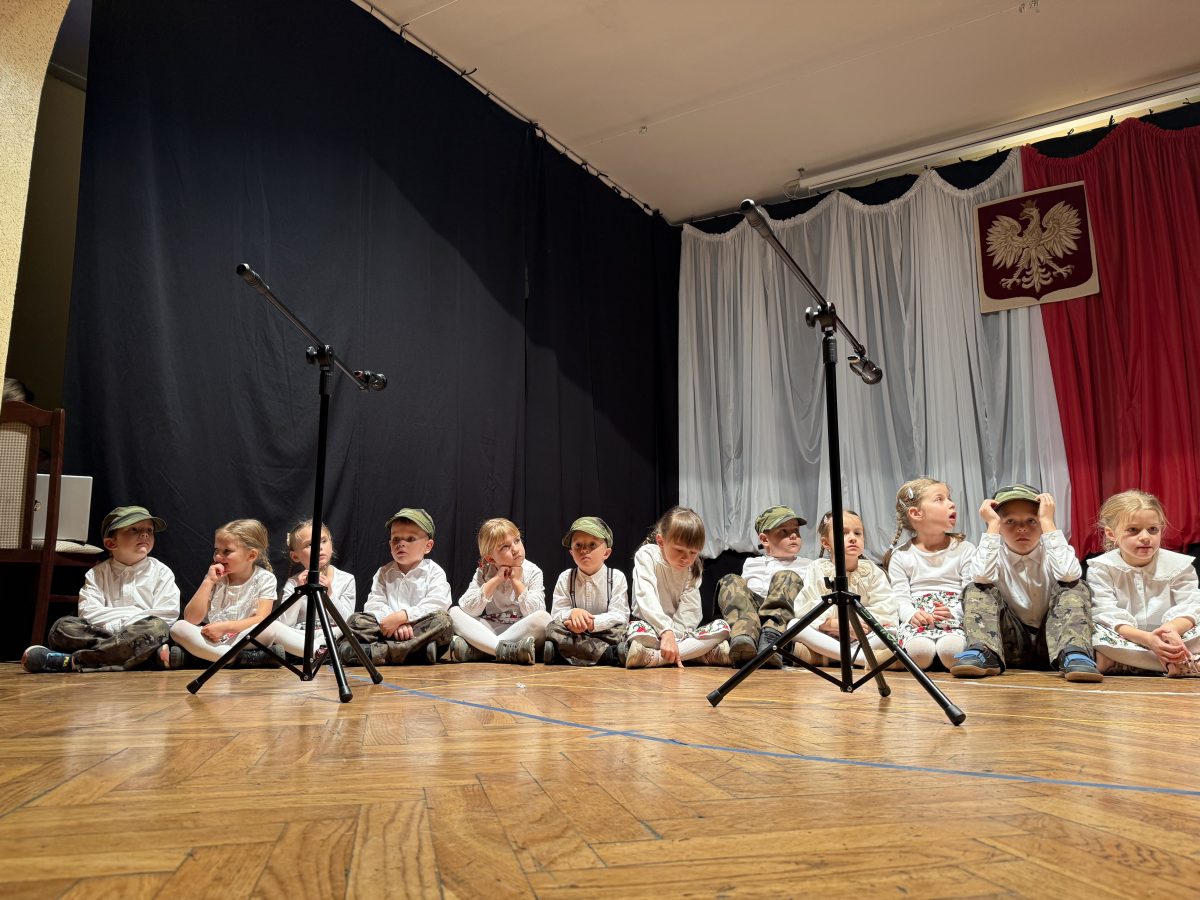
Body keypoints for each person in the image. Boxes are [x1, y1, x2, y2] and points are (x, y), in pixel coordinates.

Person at [951, 484, 1101, 681]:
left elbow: (1068, 573)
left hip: (1053, 641)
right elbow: (981, 576)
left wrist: (1047, 521)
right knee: (976, 588)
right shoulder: (993, 554)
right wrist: (992, 525)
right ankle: (983, 651)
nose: (1021, 528)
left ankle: (1075, 653)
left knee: (1075, 586)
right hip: (1009, 643)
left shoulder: (1054, 552)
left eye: (1031, 520)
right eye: (1010, 521)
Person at [22, 506, 180, 673]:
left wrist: (127, 626)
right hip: (119, 636)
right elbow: (88, 613)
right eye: (134, 529)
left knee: (156, 627)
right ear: (111, 543)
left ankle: (73, 662)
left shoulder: (161, 572)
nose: (145, 534)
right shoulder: (96, 574)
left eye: (149, 530)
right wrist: (126, 627)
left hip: (142, 634)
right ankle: (143, 657)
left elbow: (167, 614)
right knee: (61, 628)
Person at [1087, 490, 1200, 676]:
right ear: (1111, 534)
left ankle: (1125, 663)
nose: (1146, 537)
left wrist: (1170, 630)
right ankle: (1184, 663)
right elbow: (1106, 613)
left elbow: (1190, 606)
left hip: (1175, 636)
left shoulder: (1180, 566)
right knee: (1094, 631)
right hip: (1127, 637)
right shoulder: (1101, 568)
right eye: (1133, 530)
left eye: (1153, 529)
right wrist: (1147, 639)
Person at [884, 477, 975, 670]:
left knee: (951, 652)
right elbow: (900, 598)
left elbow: (970, 592)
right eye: (940, 499)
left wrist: (954, 612)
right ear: (916, 513)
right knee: (920, 654)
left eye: (949, 498)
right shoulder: (901, 556)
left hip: (953, 615)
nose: (951, 504)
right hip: (919, 618)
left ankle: (943, 655)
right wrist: (912, 614)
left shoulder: (965, 549)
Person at [793, 510, 900, 668]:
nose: (852, 538)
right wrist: (834, 624)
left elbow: (886, 608)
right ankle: (865, 659)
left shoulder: (873, 571)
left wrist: (855, 624)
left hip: (863, 634)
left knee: (892, 632)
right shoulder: (817, 568)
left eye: (857, 533)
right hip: (828, 634)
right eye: (843, 533)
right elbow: (807, 606)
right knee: (794, 625)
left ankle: (827, 657)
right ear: (826, 543)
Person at [343, 508, 452, 665]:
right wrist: (393, 623)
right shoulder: (384, 572)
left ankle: (377, 653)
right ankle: (417, 653)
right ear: (390, 544)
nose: (401, 544)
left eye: (410, 538)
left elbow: (437, 603)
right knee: (355, 621)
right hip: (388, 628)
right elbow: (375, 603)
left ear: (428, 546)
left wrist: (404, 617)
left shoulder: (434, 571)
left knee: (443, 620)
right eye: (396, 539)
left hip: (418, 628)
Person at [626, 506, 730, 668]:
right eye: (679, 550)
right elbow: (646, 596)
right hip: (650, 627)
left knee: (723, 628)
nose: (686, 558)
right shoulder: (646, 555)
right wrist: (665, 631)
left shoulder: (693, 568)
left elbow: (690, 611)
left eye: (693, 552)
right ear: (661, 542)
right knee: (638, 632)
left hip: (677, 634)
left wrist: (673, 636)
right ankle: (695, 654)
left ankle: (656, 657)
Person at [170, 519, 280, 665]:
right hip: (212, 638)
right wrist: (208, 581)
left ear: (251, 555)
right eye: (216, 550)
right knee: (178, 627)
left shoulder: (265, 578)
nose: (218, 557)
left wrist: (225, 627)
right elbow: (191, 619)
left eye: (227, 551)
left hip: (242, 637)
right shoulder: (214, 577)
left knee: (269, 629)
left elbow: (261, 619)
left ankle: (204, 656)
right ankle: (239, 658)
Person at [715, 505, 813, 668]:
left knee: (787, 576)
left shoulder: (809, 565)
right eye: (784, 531)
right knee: (730, 580)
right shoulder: (751, 563)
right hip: (751, 616)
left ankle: (771, 641)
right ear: (765, 539)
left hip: (783, 619)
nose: (793, 535)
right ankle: (744, 639)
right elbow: (742, 597)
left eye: (796, 530)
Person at [449, 518, 549, 665]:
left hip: (520, 630)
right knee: (454, 613)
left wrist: (517, 582)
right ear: (490, 559)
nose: (516, 549)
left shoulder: (533, 571)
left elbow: (534, 611)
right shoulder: (483, 572)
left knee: (543, 618)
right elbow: (469, 609)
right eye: (505, 547)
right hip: (491, 628)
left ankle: (484, 650)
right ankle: (505, 650)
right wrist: (495, 579)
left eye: (517, 541)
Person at [543, 516, 630, 666]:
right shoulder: (566, 577)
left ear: (606, 553)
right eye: (578, 545)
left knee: (622, 629)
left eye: (592, 544)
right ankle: (609, 655)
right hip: (574, 632)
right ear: (571, 552)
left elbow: (620, 615)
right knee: (552, 628)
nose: (584, 550)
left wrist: (591, 623)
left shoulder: (616, 577)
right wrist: (572, 614)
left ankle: (564, 654)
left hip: (604, 632)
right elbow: (556, 614)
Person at [272, 520, 357, 661]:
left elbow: (346, 621)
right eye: (310, 545)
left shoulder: (346, 579)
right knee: (274, 626)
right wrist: (298, 592)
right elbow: (285, 623)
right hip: (302, 635)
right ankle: (318, 651)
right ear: (295, 556)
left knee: (349, 628)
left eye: (323, 541)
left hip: (332, 633)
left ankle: (312, 652)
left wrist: (329, 594)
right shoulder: (293, 583)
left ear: (331, 544)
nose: (319, 547)